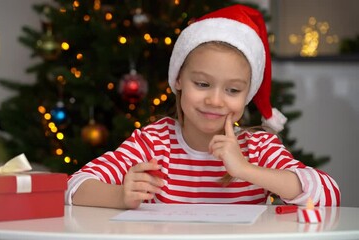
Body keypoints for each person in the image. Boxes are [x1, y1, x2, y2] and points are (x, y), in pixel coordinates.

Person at [65, 4, 340, 209]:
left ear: (247, 94)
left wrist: (245, 169)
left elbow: (329, 194)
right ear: (179, 80)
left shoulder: (258, 147)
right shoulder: (153, 142)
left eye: (232, 90)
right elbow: (74, 187)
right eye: (202, 84)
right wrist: (119, 196)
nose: (216, 101)